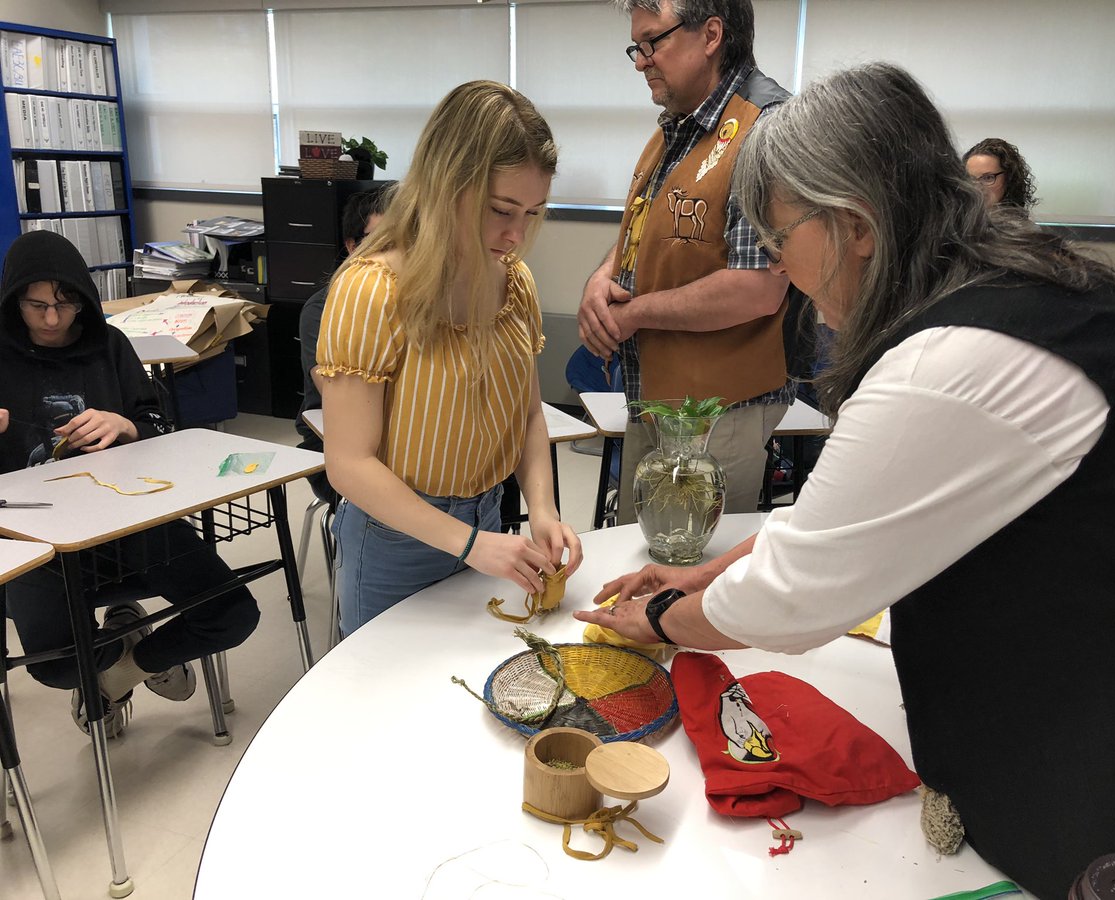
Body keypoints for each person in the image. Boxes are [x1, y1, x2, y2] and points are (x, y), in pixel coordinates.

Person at [576, 62, 1115, 899]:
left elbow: (792, 598)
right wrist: (706, 572)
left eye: (779, 237)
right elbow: (857, 516)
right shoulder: (1026, 285)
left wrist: (658, 616)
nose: (783, 274)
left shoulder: (952, 360)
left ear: (854, 224)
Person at [316, 81, 582, 636]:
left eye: (532, 213)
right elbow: (348, 463)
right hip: (397, 537)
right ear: (445, 186)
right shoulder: (372, 290)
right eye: (501, 210)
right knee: (388, 694)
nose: (516, 234)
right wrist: (468, 543)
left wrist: (543, 510)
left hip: (488, 519)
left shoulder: (514, 284)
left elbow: (527, 414)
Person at [0, 231, 261, 738]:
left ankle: (123, 666)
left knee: (232, 615)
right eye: (36, 306)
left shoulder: (110, 345)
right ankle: (121, 640)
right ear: (14, 301)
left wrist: (128, 427)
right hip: (34, 540)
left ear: (83, 298)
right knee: (55, 666)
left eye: (65, 302)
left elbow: (162, 430)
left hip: (130, 520)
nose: (53, 319)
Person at [576, 0, 799, 522]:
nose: (641, 60)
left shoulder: (764, 128)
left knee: (685, 577)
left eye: (653, 42)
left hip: (718, 414)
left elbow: (758, 288)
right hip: (657, 395)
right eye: (637, 46)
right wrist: (602, 277)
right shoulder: (677, 128)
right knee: (638, 560)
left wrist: (630, 315)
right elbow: (650, 228)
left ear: (711, 34)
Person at [296, 188, 386, 506]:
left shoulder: (415, 306)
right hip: (331, 440)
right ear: (352, 247)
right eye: (381, 242)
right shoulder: (322, 308)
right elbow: (330, 384)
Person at [963, 137, 1038, 211]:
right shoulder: (959, 220)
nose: (977, 187)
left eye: (988, 178)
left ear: (1009, 179)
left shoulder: (1016, 223)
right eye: (971, 179)